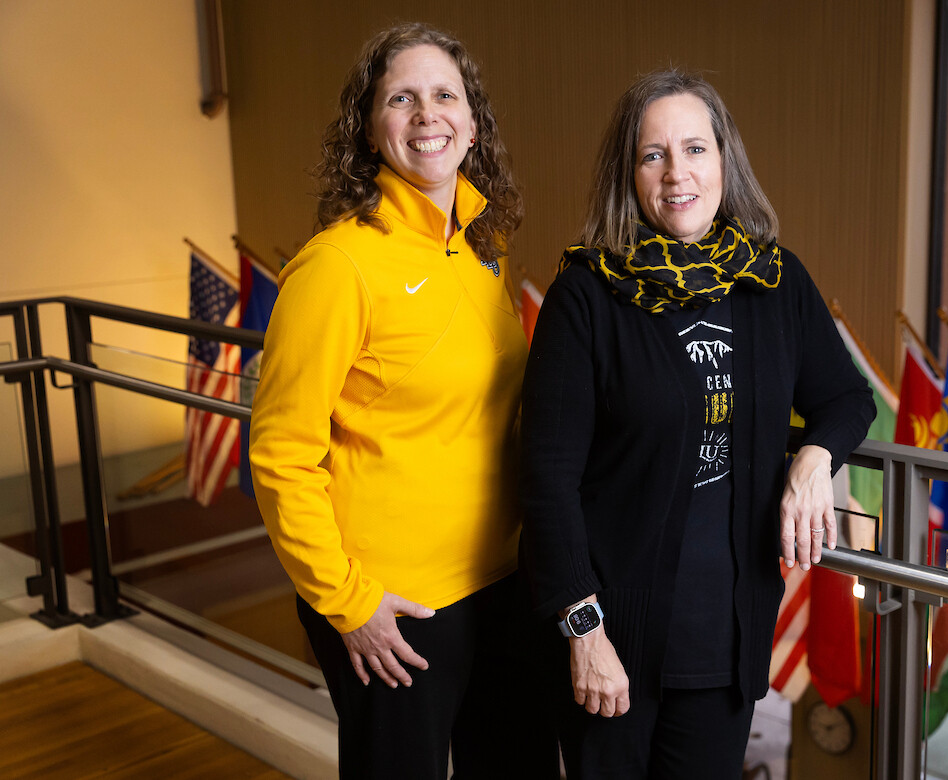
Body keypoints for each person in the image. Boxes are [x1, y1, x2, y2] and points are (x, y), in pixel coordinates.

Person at [519, 69, 877, 779]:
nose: (677, 172)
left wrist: (812, 461)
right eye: (654, 155)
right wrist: (583, 633)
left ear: (725, 160)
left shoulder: (772, 281)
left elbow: (846, 397)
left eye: (695, 149)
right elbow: (547, 482)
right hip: (610, 640)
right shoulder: (586, 296)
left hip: (726, 639)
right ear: (630, 173)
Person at [249, 23, 556, 779]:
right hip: (397, 608)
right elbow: (281, 455)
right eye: (401, 98)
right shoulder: (336, 267)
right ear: (368, 125)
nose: (428, 114)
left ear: (473, 122)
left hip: (503, 583)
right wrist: (349, 604)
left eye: (445, 94)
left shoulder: (483, 247)